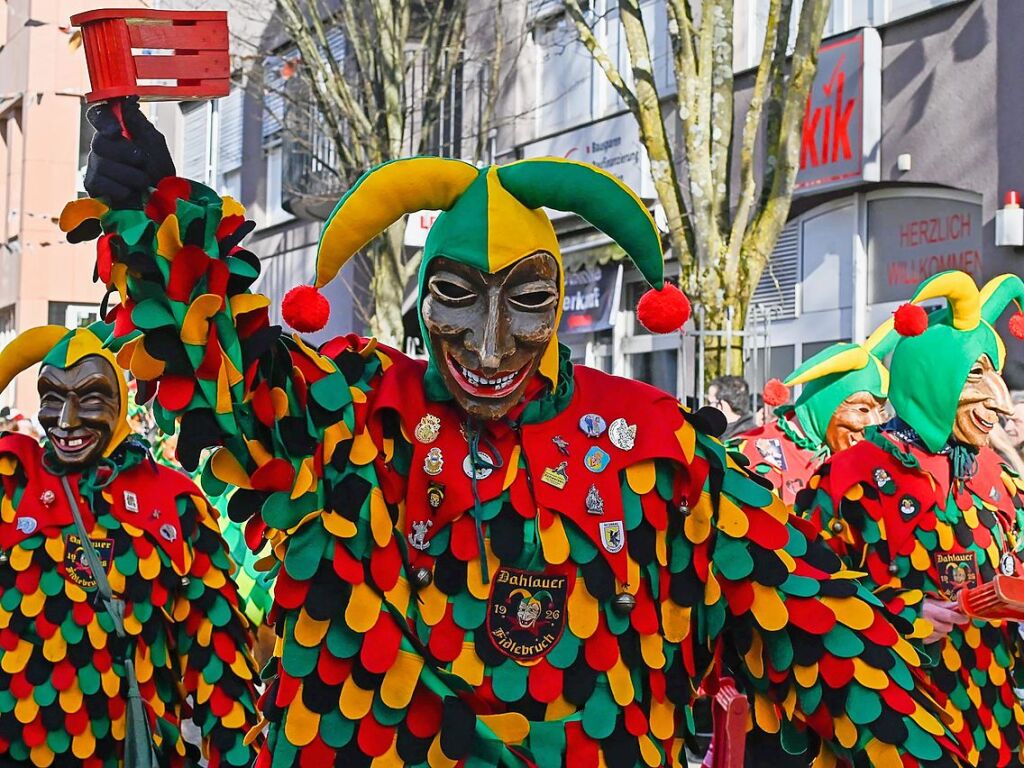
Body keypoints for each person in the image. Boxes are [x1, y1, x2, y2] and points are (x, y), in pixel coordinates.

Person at [67, 98, 965, 767]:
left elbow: (801, 615)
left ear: (559, 306)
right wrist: (153, 214)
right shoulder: (358, 411)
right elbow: (229, 375)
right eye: (456, 297)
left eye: (527, 300)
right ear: (422, 306)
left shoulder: (654, 439)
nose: (490, 344)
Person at [0, 322, 260, 767]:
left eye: (91, 398)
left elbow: (217, 653)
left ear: (120, 404)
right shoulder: (14, 481)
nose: (65, 421)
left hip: (133, 750)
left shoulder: (174, 504)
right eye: (52, 398)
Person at [799, 270, 1024, 767]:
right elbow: (802, 592)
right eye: (974, 375)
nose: (1000, 401)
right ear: (931, 375)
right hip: (893, 711)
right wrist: (902, 612)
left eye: (997, 376)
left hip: (992, 713)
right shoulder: (845, 478)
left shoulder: (997, 474)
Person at [732, 333, 893, 506]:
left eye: (881, 410)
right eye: (863, 409)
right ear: (824, 405)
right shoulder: (754, 452)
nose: (875, 424)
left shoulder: (848, 453)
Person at [707, 376, 755, 440]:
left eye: (710, 402)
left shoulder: (740, 439)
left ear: (723, 404)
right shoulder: (748, 431)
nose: (708, 407)